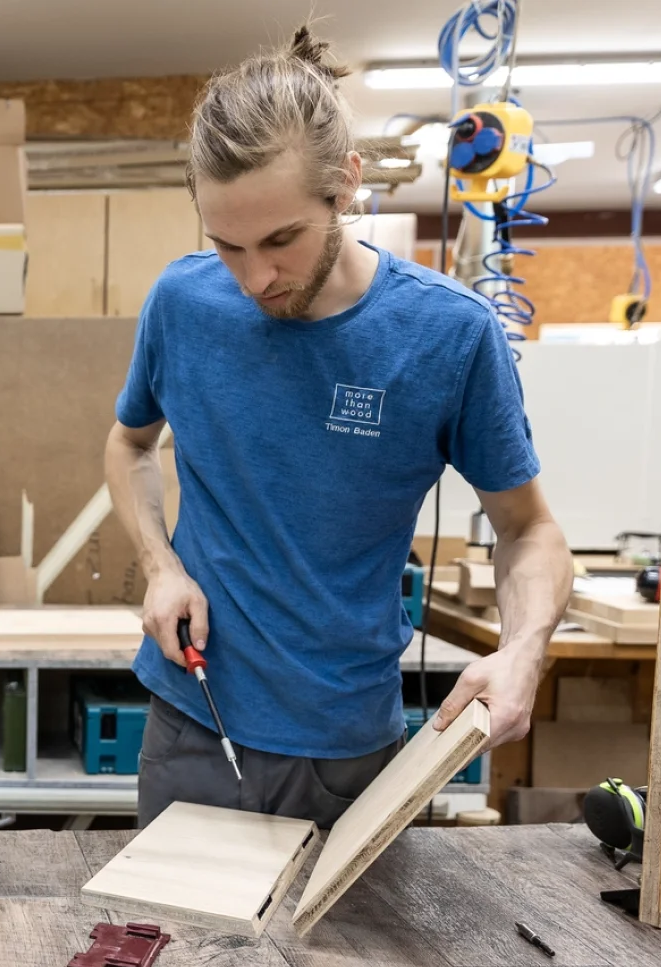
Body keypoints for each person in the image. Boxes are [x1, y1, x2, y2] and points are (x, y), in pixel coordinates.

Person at [105, 26, 572, 828]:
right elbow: (130, 443)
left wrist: (522, 651)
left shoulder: (448, 336)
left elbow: (529, 530)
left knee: (339, 958)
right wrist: (160, 568)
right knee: (165, 950)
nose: (255, 278)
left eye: (282, 239)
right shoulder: (182, 303)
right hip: (188, 720)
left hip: (346, 749)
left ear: (347, 185)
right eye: (227, 245)